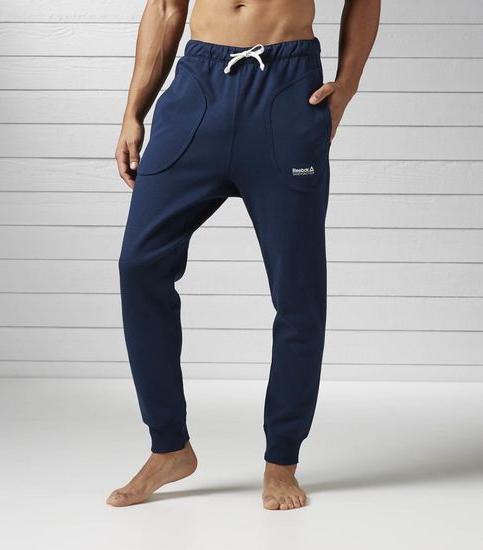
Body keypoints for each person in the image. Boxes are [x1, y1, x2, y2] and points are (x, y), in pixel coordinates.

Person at [108, 0, 380, 510]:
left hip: (287, 87)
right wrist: (132, 113)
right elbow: (165, 8)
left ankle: (282, 461)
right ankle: (169, 447)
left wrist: (347, 84)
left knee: (297, 290)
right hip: (197, 88)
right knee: (140, 265)